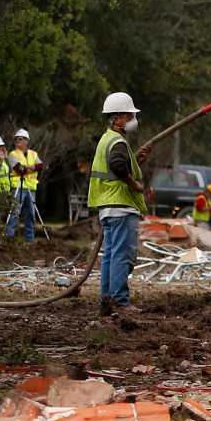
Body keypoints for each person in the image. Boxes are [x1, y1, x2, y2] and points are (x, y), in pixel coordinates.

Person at [87, 93, 148, 317]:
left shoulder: (108, 139)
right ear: (119, 118)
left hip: (108, 207)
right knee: (123, 255)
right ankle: (121, 302)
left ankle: (108, 300)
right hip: (121, 206)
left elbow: (120, 163)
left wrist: (136, 159)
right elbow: (118, 166)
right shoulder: (118, 141)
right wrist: (135, 185)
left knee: (111, 256)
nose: (133, 118)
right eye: (130, 114)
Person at [7, 129, 43, 242]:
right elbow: (19, 170)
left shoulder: (33, 154)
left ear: (26, 141)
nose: (17, 141)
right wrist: (32, 168)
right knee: (14, 213)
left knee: (31, 215)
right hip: (18, 187)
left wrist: (27, 168)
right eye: (16, 139)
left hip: (31, 188)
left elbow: (41, 166)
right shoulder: (12, 154)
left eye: (20, 139)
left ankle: (29, 239)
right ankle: (10, 238)